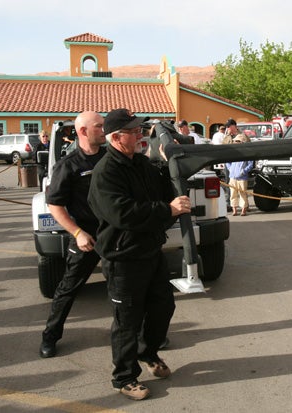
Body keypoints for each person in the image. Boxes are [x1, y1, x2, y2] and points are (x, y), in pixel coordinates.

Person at [88, 108, 193, 401]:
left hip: (149, 251)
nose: (139, 135)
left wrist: (166, 159)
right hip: (123, 258)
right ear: (116, 137)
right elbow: (123, 214)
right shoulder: (106, 172)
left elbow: (163, 191)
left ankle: (148, 352)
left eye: (139, 130)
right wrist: (166, 210)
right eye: (133, 132)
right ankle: (124, 377)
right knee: (127, 320)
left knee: (163, 307)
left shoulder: (141, 165)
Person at [39, 111, 107, 358]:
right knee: (68, 289)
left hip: (113, 234)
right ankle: (50, 336)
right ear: (83, 131)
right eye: (99, 126)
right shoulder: (67, 165)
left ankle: (143, 337)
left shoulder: (112, 158)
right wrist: (77, 233)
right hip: (85, 235)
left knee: (126, 287)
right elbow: (55, 205)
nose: (104, 130)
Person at [226, 134, 254, 216]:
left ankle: (243, 210)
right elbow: (227, 161)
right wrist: (230, 169)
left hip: (242, 177)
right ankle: (234, 210)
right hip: (232, 177)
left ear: (242, 142)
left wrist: (243, 171)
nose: (235, 142)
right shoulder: (233, 152)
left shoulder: (248, 153)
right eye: (234, 141)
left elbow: (250, 165)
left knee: (243, 194)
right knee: (233, 194)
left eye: (237, 141)